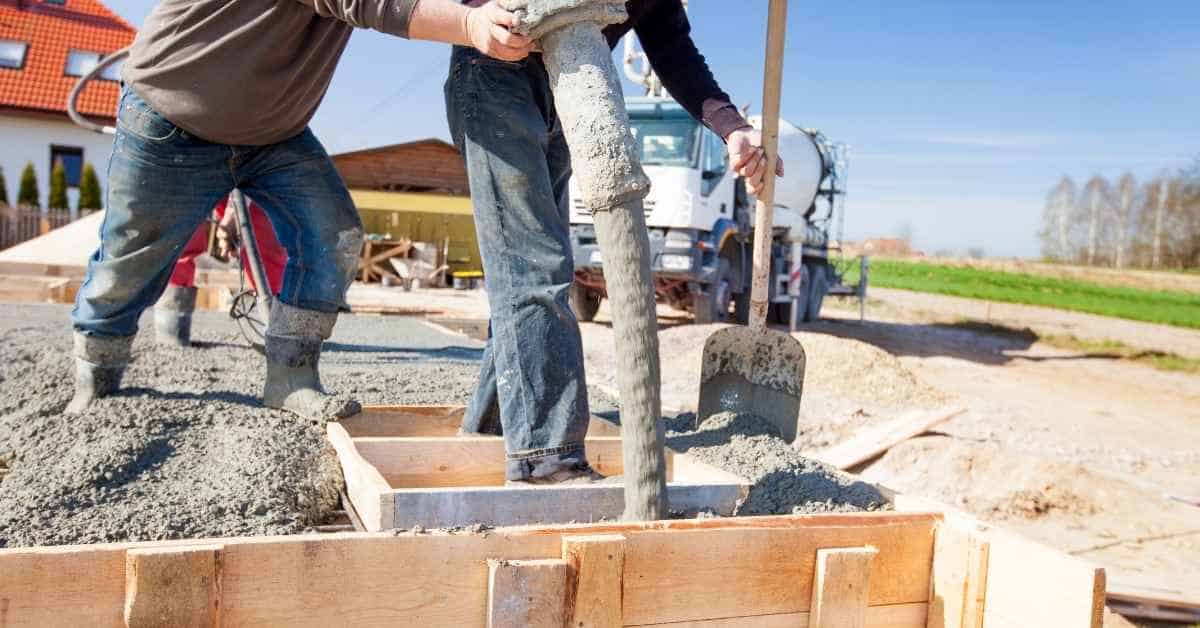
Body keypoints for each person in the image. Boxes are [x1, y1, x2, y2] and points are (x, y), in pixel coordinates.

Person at [68, 0, 535, 419]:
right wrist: (472, 23)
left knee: (333, 235)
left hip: (274, 134)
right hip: (174, 116)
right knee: (130, 258)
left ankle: (291, 378)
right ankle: (98, 378)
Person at [447, 0, 783, 484]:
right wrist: (473, 16)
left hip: (570, 85)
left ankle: (492, 434)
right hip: (494, 69)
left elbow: (669, 45)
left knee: (537, 273)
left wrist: (732, 128)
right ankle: (546, 460)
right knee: (532, 267)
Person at [154, 195, 287, 347]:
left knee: (261, 227)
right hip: (194, 174)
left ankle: (280, 327)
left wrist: (234, 212)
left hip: (244, 177)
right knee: (183, 229)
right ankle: (171, 327)